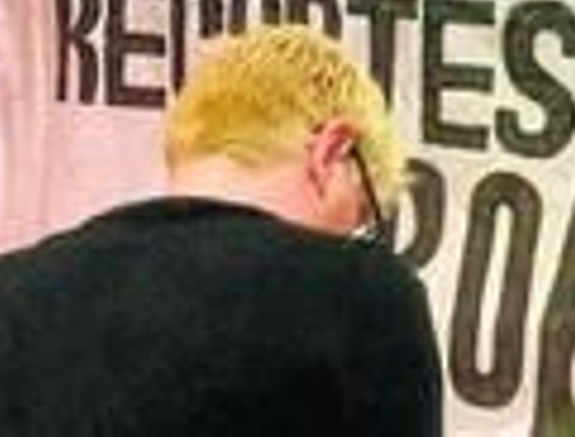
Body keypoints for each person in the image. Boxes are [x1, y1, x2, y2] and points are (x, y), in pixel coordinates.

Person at [0, 25, 443, 436]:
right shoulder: (362, 294)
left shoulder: (14, 289)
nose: (351, 234)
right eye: (361, 210)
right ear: (332, 151)